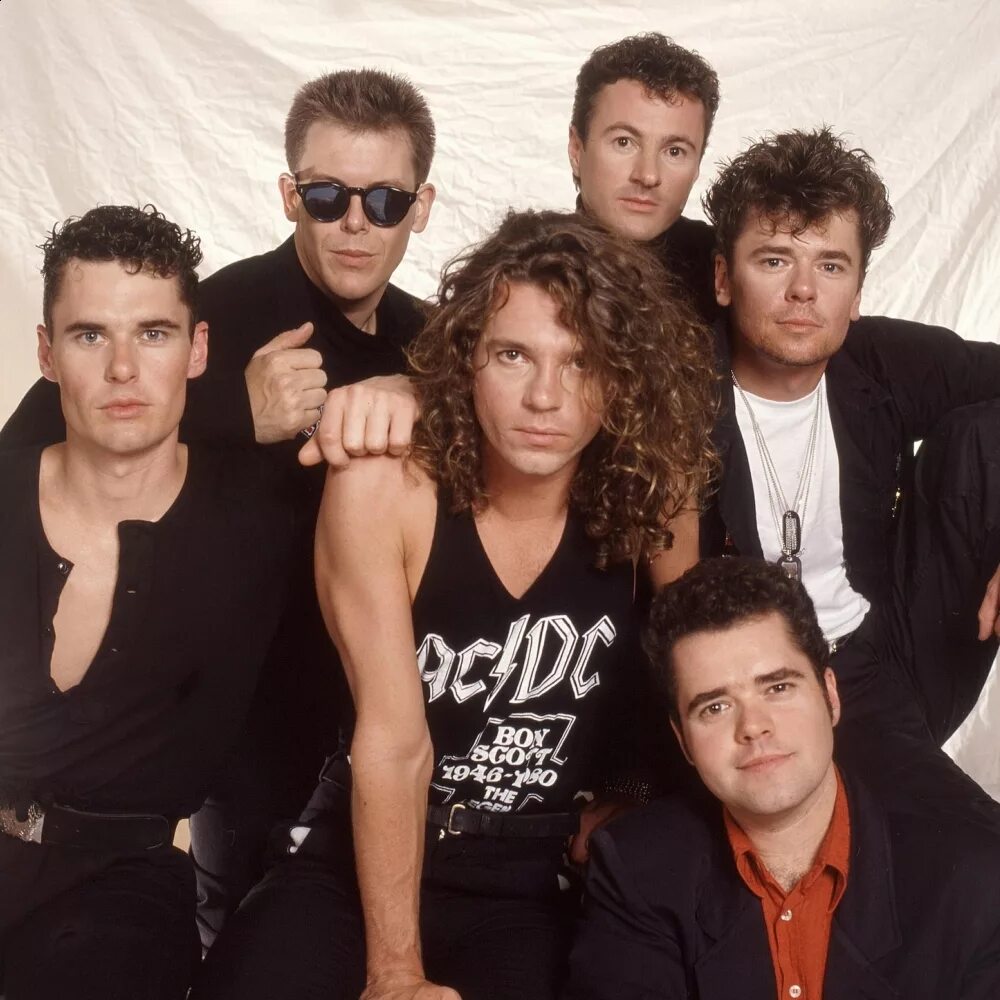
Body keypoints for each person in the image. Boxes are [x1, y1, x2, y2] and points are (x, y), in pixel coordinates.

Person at [189, 209, 718, 1000]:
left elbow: (695, 672)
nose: (545, 397)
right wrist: (396, 974)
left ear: (624, 377)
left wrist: (637, 794)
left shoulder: (652, 491)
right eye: (513, 355)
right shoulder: (386, 484)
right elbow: (395, 741)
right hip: (357, 850)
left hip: (533, 877)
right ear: (467, 357)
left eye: (582, 362)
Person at [1, 67, 438, 947]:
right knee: (240, 941)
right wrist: (237, 408)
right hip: (239, 710)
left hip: (386, 687)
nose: (356, 223)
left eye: (385, 201)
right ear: (290, 196)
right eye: (328, 196)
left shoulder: (429, 339)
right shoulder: (224, 308)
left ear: (420, 208)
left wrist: (421, 391)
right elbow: (29, 454)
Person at [0, 205, 295, 999]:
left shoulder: (263, 527)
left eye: (154, 334)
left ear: (198, 350)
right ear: (47, 353)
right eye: (90, 335)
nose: (123, 369)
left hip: (123, 886)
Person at [564, 557, 1000, 1000]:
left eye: (778, 688)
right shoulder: (635, 870)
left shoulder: (974, 879)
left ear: (830, 696)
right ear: (683, 742)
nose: (753, 726)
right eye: (715, 707)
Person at [699, 127, 1000, 748]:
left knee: (984, 436)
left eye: (831, 265)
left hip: (889, 660)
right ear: (724, 278)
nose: (804, 290)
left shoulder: (880, 359)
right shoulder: (679, 386)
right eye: (775, 260)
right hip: (745, 686)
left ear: (857, 291)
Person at [568, 32, 721, 321]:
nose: (648, 175)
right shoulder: (521, 270)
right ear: (577, 149)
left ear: (698, 164)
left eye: (674, 151)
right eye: (624, 142)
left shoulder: (731, 271)